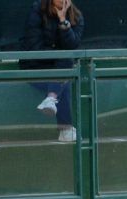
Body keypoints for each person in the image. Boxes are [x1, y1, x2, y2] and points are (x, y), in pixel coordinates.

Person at [20, 0, 84, 142]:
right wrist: (58, 55)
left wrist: (63, 23)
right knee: (64, 77)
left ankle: (51, 98)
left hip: (60, 68)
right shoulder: (37, 12)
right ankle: (65, 129)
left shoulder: (77, 17)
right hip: (35, 68)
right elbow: (34, 48)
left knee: (66, 65)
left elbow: (72, 45)